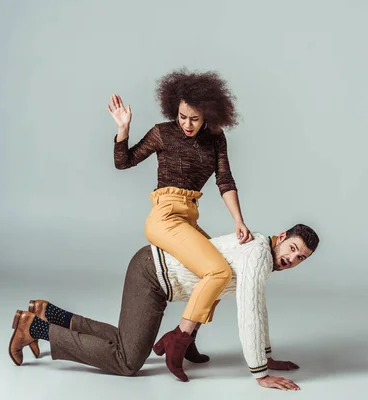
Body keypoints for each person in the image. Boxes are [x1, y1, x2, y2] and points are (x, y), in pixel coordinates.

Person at [8, 223, 320, 390]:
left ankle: (47, 312)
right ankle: (32, 327)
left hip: (154, 270)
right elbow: (249, 310)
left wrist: (267, 355)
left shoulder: (262, 254)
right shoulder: (259, 255)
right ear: (281, 237)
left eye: (300, 258)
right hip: (152, 274)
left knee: (123, 341)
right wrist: (260, 373)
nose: (291, 259)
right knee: (127, 361)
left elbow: (257, 306)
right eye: (292, 248)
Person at [108, 68, 253, 376]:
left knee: (222, 273)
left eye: (195, 119)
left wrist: (239, 220)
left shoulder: (215, 139)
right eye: (182, 116)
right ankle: (179, 339)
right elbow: (124, 161)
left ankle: (188, 340)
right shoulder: (163, 132)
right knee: (218, 271)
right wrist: (123, 129)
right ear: (174, 109)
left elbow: (224, 180)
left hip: (188, 216)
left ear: (209, 116)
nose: (187, 124)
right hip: (164, 217)